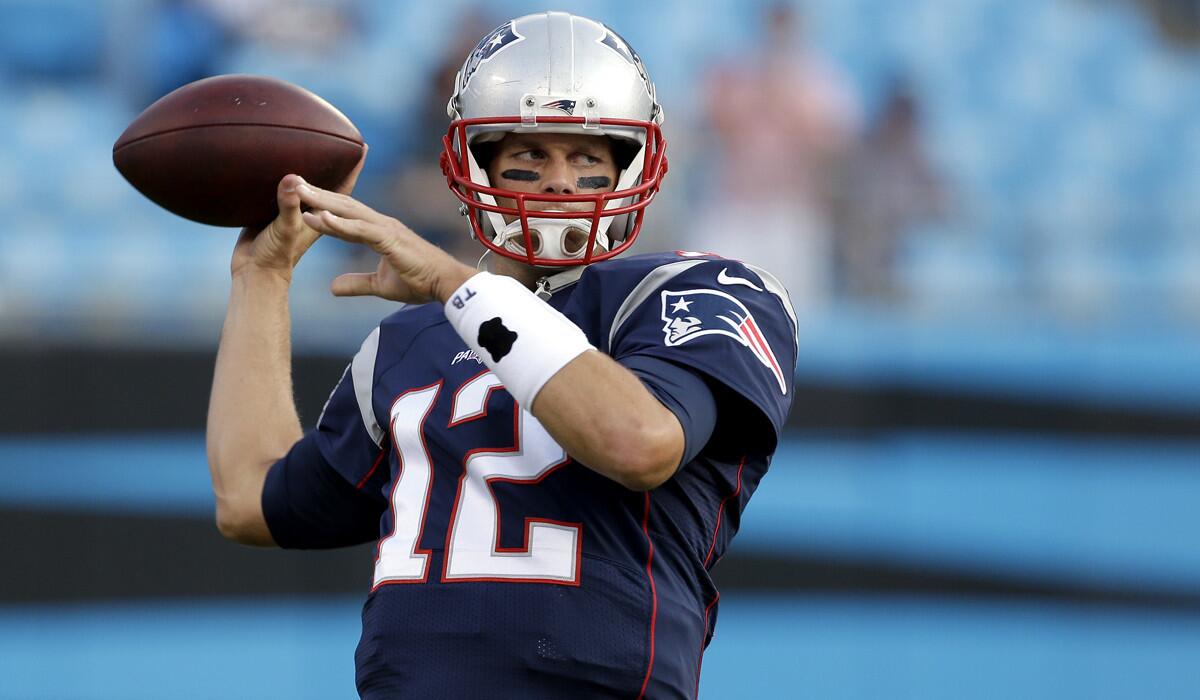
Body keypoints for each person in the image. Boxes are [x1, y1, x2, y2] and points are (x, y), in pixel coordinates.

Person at [206, 12, 797, 699]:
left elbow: (639, 441)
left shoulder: (695, 290)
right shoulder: (408, 343)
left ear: (635, 165)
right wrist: (261, 279)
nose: (557, 183)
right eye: (526, 159)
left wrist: (454, 284)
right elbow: (250, 500)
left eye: (587, 158)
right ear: (472, 166)